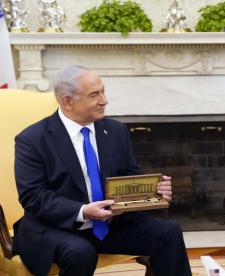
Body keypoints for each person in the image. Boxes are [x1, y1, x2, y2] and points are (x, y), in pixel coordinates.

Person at [12, 65, 192, 276]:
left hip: (111, 225)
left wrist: (153, 192)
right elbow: (33, 196)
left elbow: (129, 176)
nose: (104, 100)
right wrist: (83, 211)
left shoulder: (115, 130)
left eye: (103, 91)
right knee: (80, 251)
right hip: (57, 227)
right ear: (67, 102)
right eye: (94, 95)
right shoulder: (33, 139)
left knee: (168, 232)